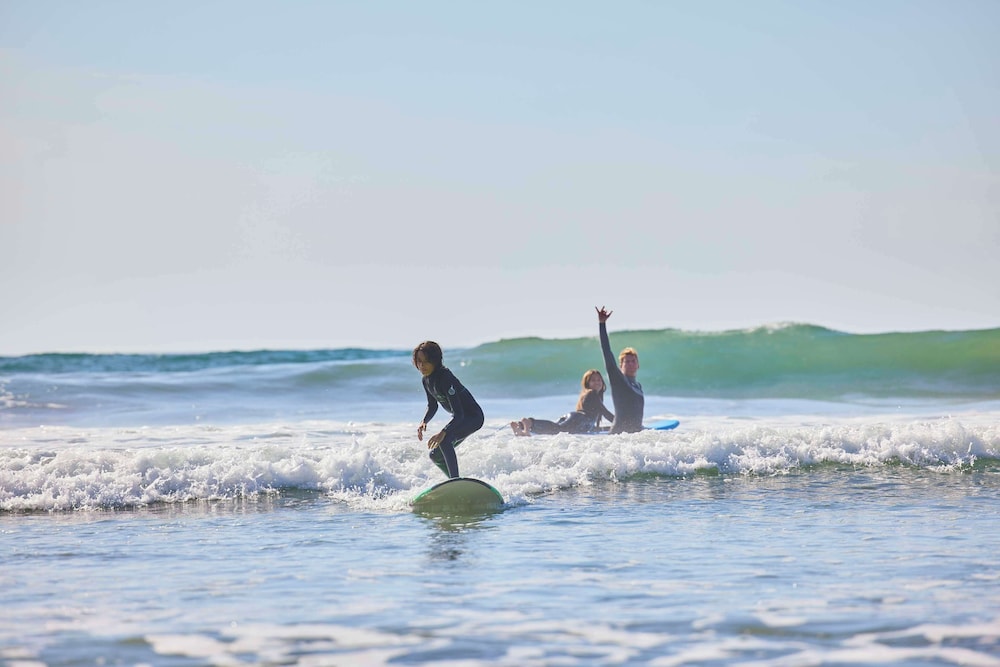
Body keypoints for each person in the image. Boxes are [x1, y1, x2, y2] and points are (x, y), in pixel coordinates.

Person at [413, 340, 484, 478]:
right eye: (419, 361)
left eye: (426, 361)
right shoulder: (426, 380)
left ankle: (455, 480)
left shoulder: (445, 378)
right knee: (435, 455)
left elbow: (459, 414)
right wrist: (424, 421)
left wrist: (443, 432)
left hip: (473, 417)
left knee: (445, 440)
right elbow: (432, 405)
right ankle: (455, 482)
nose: (422, 365)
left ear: (435, 361)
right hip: (461, 418)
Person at [510, 369, 615, 436]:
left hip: (575, 418)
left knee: (555, 429)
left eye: (599, 380)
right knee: (557, 429)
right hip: (579, 419)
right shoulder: (592, 394)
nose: (597, 382)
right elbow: (606, 413)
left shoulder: (588, 395)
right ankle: (530, 423)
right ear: (588, 383)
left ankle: (521, 426)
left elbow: (593, 427)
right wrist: (620, 422)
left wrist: (611, 427)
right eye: (593, 380)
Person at [596, 306, 644, 433]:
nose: (630, 364)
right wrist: (602, 324)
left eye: (633, 361)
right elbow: (607, 352)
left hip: (633, 437)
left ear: (638, 365)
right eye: (626, 361)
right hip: (619, 437)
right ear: (621, 365)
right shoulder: (619, 380)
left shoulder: (638, 386)